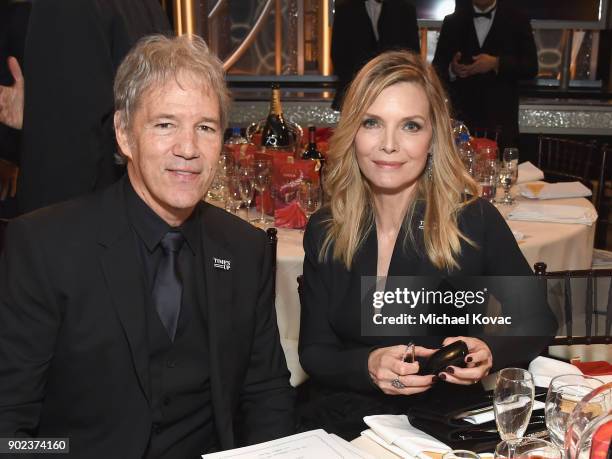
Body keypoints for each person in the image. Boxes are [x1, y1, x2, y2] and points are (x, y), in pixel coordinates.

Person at [0, 35, 295, 457]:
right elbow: (9, 420)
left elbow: (266, 394)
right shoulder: (46, 246)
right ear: (124, 134)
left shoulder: (244, 249)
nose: (188, 149)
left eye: (205, 128)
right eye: (165, 124)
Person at [298, 50, 555, 439]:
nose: (388, 144)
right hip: (341, 420)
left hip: (436, 427)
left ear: (434, 136)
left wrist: (489, 351)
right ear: (352, 131)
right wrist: (367, 365)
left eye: (410, 126)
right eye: (372, 122)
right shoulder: (325, 228)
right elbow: (314, 352)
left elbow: (536, 320)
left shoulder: (472, 221)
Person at [17, 0, 171, 214]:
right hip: (138, 211)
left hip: (83, 220)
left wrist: (39, 235)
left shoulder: (65, 6)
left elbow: (67, 148)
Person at [432, 0, 538, 149]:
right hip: (462, 122)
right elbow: (436, 69)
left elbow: (531, 67)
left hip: (501, 122)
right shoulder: (452, 22)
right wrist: (452, 69)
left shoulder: (517, 20)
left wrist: (496, 63)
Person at [331, 0, 420, 110]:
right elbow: (338, 55)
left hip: (397, 91)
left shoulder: (405, 9)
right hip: (355, 94)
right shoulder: (345, 10)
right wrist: (359, 86)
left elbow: (413, 54)